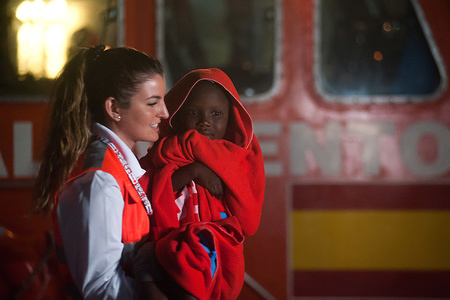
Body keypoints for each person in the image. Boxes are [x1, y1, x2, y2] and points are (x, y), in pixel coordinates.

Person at [31, 45, 170, 299]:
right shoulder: (99, 181)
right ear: (114, 108)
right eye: (153, 103)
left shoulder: (117, 166)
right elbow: (100, 287)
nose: (164, 113)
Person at [140, 68, 265, 299]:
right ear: (176, 115)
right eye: (194, 112)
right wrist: (193, 171)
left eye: (216, 114)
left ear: (231, 120)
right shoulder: (161, 154)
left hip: (215, 258)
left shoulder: (236, 161)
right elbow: (147, 195)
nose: (205, 122)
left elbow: (247, 222)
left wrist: (200, 151)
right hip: (167, 257)